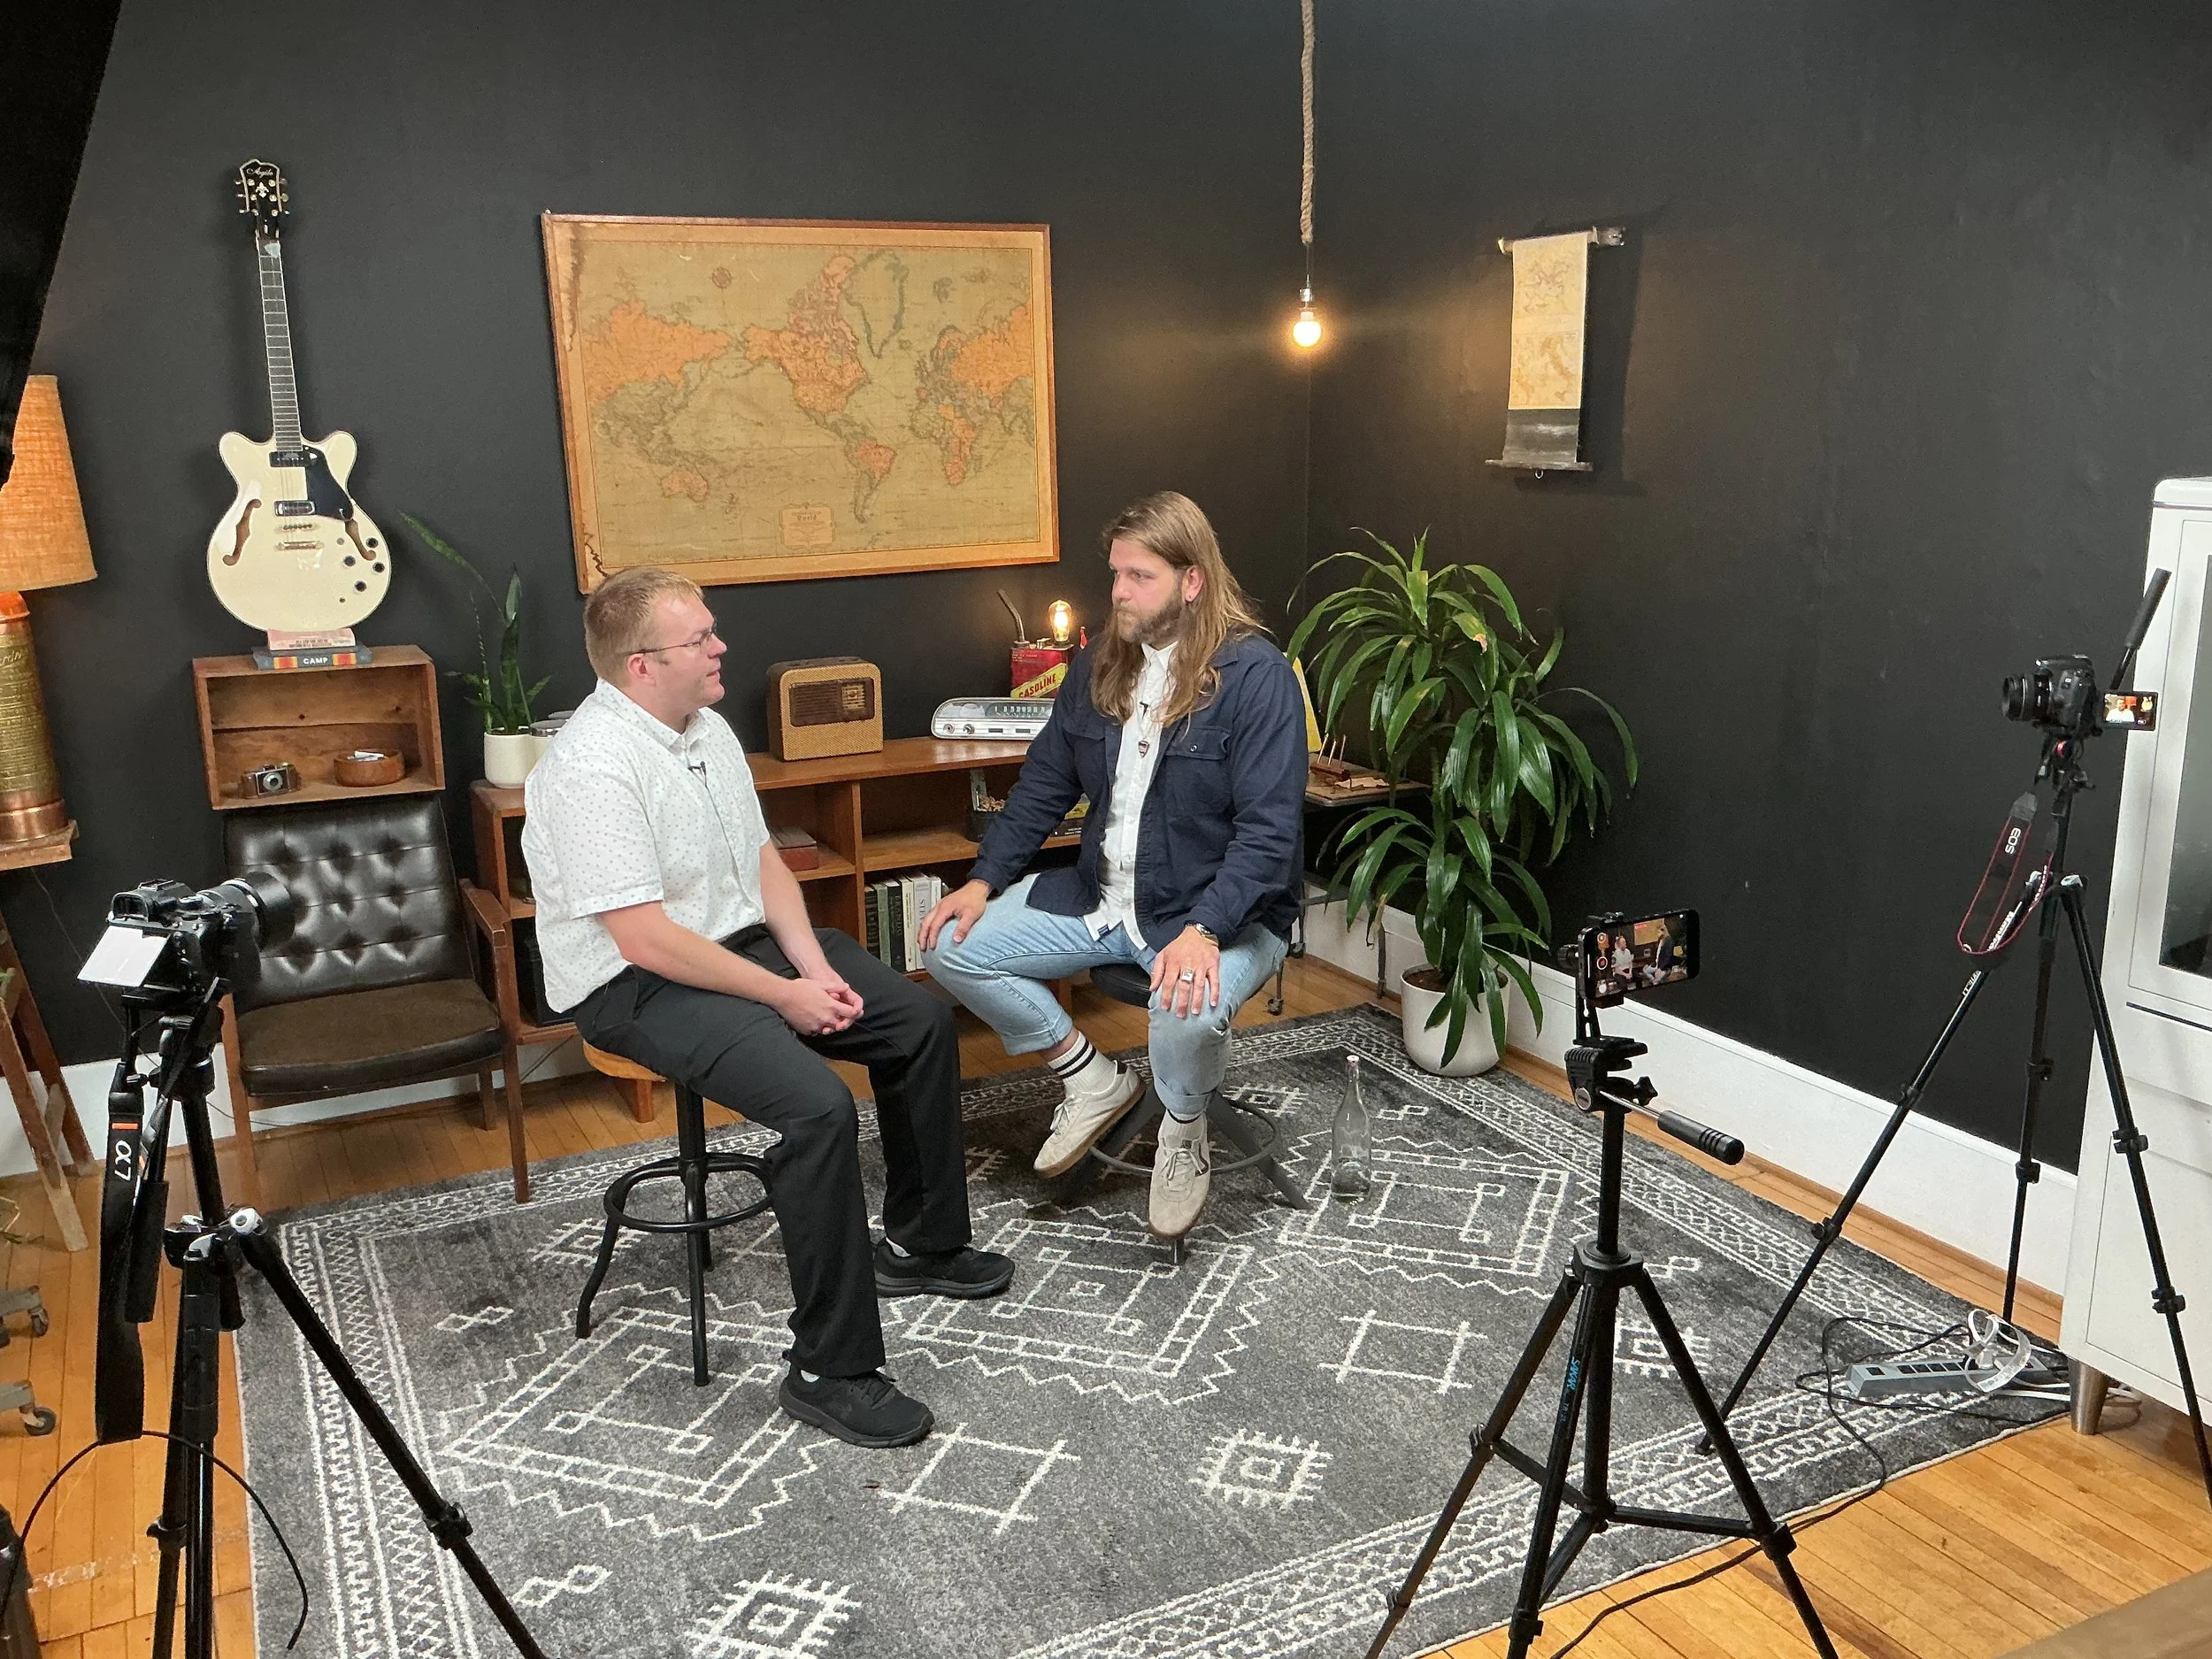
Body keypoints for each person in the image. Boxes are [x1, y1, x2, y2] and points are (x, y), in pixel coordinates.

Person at [520, 566, 1010, 1450]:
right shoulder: (590, 769)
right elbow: (646, 940)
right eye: (700, 639)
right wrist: (785, 996)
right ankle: (829, 1369)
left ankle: (923, 1245)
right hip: (634, 984)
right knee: (818, 1109)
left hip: (738, 943)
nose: (721, 648)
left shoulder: (705, 727)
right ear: (640, 666)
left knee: (918, 1023)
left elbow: (762, 863)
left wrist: (813, 968)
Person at [920, 492, 1305, 1240]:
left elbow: (1269, 835)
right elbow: (1044, 784)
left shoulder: (1257, 677)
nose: (1119, 592)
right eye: (1116, 574)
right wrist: (981, 881)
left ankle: (1184, 1129)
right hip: (1101, 900)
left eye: (1139, 577)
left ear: (1191, 581)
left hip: (1221, 915)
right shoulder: (1101, 663)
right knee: (946, 944)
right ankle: (1093, 1079)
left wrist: (1204, 929)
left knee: (1186, 1001)